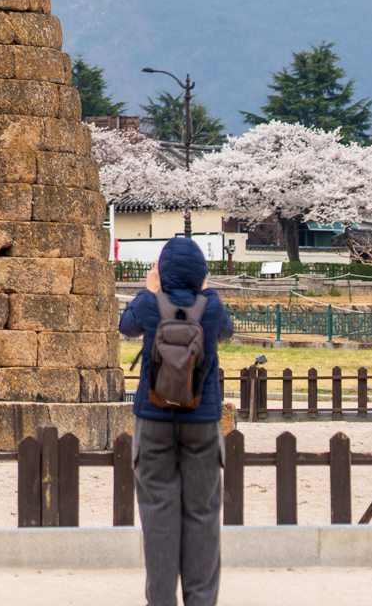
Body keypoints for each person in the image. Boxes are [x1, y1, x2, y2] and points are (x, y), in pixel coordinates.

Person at [119, 237, 233, 606]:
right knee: (202, 512)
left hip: (153, 417)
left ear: (161, 270)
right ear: (201, 273)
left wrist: (148, 290)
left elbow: (126, 326)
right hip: (202, 418)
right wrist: (205, 290)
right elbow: (226, 332)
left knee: (158, 513)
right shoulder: (212, 306)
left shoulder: (150, 304)